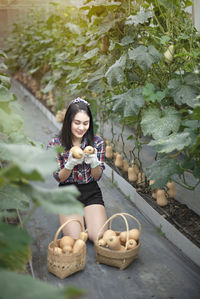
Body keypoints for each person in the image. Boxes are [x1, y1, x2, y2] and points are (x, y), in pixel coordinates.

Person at [47, 97, 107, 242]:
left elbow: (97, 176)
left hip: (91, 191)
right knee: (75, 239)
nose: (81, 128)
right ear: (69, 122)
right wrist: (69, 164)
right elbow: (59, 178)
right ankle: (77, 219)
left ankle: (89, 216)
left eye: (86, 123)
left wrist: (94, 162)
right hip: (67, 193)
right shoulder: (55, 144)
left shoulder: (97, 143)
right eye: (77, 123)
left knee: (97, 237)